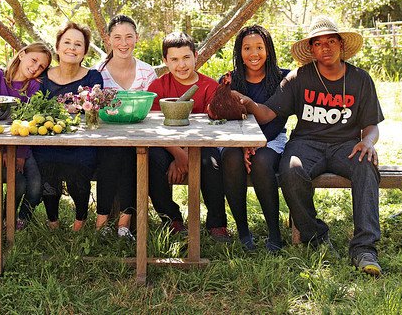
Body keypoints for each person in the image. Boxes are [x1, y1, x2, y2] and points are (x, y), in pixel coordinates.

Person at [238, 16, 383, 275]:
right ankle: (315, 236)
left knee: (366, 164)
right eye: (318, 43)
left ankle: (364, 248)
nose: (325, 47)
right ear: (312, 50)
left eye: (330, 41)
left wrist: (367, 142)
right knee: (291, 170)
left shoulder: (361, 79)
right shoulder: (299, 78)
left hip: (346, 145)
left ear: (341, 45)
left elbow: (371, 123)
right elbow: (268, 113)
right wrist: (248, 103)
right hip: (306, 144)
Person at [147, 32, 229, 241]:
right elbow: (153, 130)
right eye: (174, 59)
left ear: (196, 56)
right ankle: (172, 220)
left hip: (202, 147)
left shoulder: (210, 87)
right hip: (166, 146)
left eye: (186, 58)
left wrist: (188, 153)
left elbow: (213, 130)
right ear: (165, 61)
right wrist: (178, 154)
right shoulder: (158, 87)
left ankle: (216, 224)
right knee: (151, 159)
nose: (181, 65)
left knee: (211, 162)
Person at [222, 25, 289, 252]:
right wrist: (242, 144)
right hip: (237, 141)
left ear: (268, 50)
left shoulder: (283, 78)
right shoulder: (230, 80)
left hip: (272, 140)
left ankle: (275, 233)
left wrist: (255, 143)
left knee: (261, 161)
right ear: (239, 52)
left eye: (259, 47)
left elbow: (277, 121)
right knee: (230, 157)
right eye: (247, 48)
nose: (254, 53)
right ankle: (242, 231)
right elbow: (225, 119)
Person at [34, 21, 104, 231]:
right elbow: (37, 110)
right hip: (49, 140)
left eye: (77, 44)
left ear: (84, 52)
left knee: (79, 168)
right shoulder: (43, 78)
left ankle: (80, 222)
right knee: (47, 165)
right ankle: (53, 222)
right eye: (67, 42)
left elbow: (94, 112)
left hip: (83, 141)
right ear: (57, 47)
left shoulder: (93, 77)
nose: (71, 48)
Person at [95, 14, 157, 240]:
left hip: (138, 140)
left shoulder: (147, 72)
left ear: (137, 38)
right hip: (104, 141)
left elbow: (153, 113)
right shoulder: (98, 72)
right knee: (112, 154)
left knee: (133, 157)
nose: (123, 43)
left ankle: (124, 225)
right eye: (117, 37)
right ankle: (101, 223)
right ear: (108, 39)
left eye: (129, 37)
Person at [0, 42, 52, 228]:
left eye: (41, 67)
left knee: (35, 185)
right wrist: (8, 151)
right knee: (19, 183)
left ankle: (21, 219)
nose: (35, 68)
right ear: (22, 54)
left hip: (24, 145)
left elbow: (29, 122)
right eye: (34, 60)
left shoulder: (33, 86)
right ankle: (3, 218)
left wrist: (21, 155)